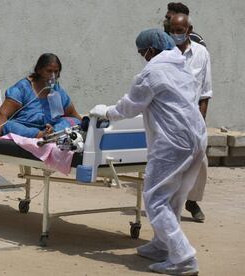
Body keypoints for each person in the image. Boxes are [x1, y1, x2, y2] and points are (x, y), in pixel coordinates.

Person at [89, 29, 206, 275]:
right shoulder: (181, 65)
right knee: (174, 197)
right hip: (196, 137)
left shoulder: (152, 72)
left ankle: (183, 257)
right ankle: (162, 246)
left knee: (155, 199)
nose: (143, 56)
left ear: (151, 50)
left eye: (142, 52)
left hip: (173, 142)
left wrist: (106, 111)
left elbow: (130, 107)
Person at [169, 13, 213, 222]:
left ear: (189, 29)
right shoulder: (165, 54)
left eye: (180, 30)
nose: (177, 35)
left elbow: (205, 92)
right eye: (173, 31)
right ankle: (167, 204)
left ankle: (192, 201)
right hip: (169, 117)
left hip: (193, 118)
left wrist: (201, 121)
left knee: (200, 160)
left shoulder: (201, 53)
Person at [0, 53, 81, 141]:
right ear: (39, 70)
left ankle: (52, 133)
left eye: (56, 72)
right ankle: (40, 135)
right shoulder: (22, 88)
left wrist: (84, 125)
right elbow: (2, 114)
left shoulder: (57, 91)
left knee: (74, 121)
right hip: (25, 127)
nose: (53, 76)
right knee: (9, 125)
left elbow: (73, 114)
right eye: (49, 71)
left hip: (49, 128)